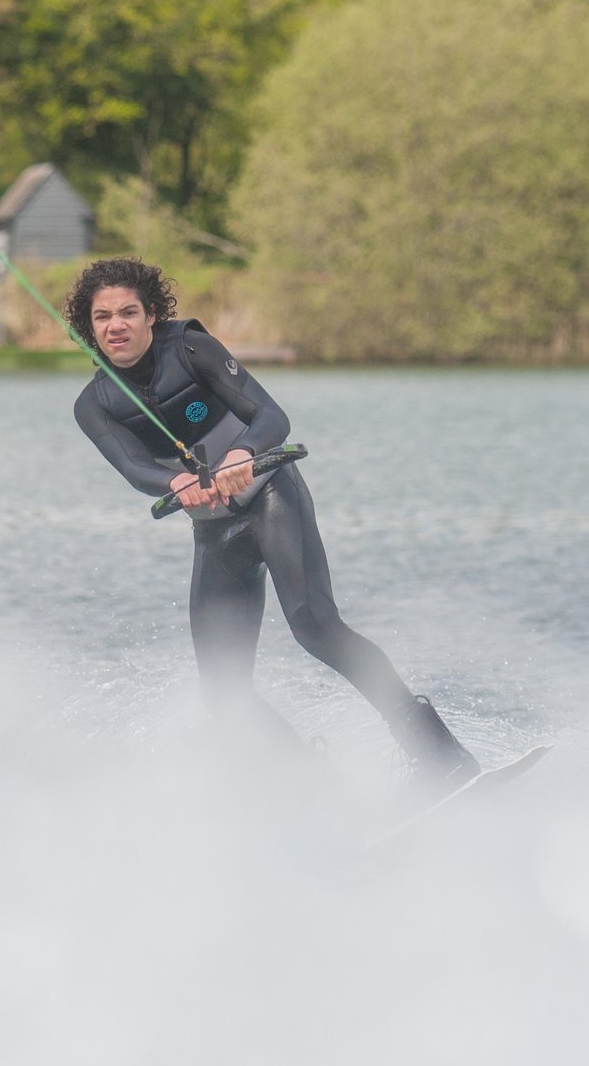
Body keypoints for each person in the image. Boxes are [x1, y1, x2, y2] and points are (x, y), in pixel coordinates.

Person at [68, 257, 481, 792]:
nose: (115, 325)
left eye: (128, 312)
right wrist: (173, 484)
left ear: (151, 316)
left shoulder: (190, 349)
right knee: (223, 692)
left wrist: (243, 453)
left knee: (316, 626)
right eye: (102, 318)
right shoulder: (94, 405)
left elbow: (271, 416)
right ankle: (314, 788)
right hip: (216, 532)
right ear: (90, 328)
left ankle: (441, 758)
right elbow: (134, 468)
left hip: (271, 501)